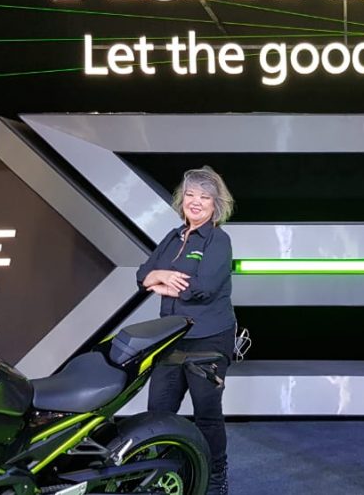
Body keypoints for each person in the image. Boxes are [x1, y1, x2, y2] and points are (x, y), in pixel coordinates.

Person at [136, 166, 235, 495]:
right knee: (158, 413)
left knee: (207, 415)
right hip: (170, 339)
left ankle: (216, 478)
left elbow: (203, 287)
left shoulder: (218, 240)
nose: (196, 201)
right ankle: (167, 471)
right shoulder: (173, 236)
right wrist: (160, 276)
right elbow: (142, 274)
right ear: (182, 200)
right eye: (190, 194)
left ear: (215, 204)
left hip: (208, 340)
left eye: (204, 197)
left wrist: (161, 284)